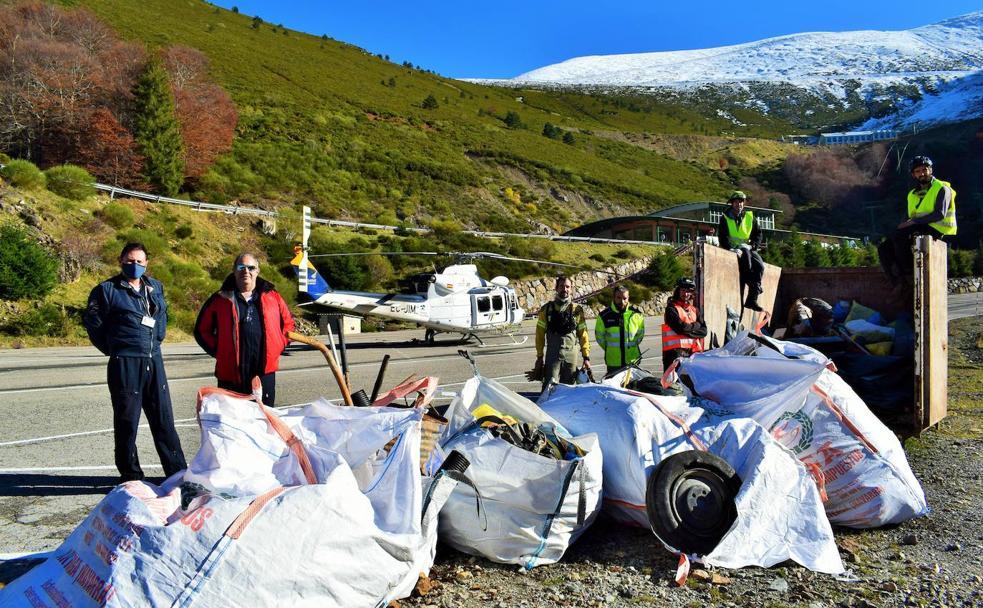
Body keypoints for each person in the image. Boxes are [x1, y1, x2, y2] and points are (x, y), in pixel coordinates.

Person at [83, 242, 187, 482]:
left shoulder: (155, 287)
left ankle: (177, 473)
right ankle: (131, 475)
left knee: (164, 419)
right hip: (125, 362)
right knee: (127, 421)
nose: (135, 265)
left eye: (140, 261)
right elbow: (93, 323)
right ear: (121, 260)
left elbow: (162, 316)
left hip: (154, 359)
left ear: (146, 263)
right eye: (130, 261)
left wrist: (157, 339)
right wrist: (115, 348)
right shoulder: (107, 289)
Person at [194, 253, 295, 406]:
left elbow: (288, 324)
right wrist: (221, 351)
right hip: (230, 375)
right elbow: (202, 330)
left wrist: (278, 345)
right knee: (233, 423)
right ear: (234, 270)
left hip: (264, 373)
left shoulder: (273, 296)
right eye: (241, 267)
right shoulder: (220, 299)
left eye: (251, 267)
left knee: (264, 421)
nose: (246, 271)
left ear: (257, 271)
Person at [878, 155, 957, 287]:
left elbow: (940, 214)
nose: (922, 173)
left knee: (901, 236)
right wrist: (900, 227)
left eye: (925, 170)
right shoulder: (912, 194)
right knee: (884, 247)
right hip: (919, 226)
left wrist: (913, 222)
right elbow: (908, 216)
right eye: (918, 171)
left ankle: (909, 272)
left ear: (930, 170)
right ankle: (894, 279)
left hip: (936, 229)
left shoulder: (942, 188)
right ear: (913, 175)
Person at [533, 276, 590, 392]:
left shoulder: (577, 310)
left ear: (571, 288)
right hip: (553, 355)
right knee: (549, 388)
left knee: (569, 391)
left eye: (567, 287)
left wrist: (586, 357)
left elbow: (583, 335)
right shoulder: (546, 310)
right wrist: (539, 357)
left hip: (571, 356)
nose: (565, 289)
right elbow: (539, 335)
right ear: (556, 288)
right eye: (562, 286)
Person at [718, 190, 764, 311]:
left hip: (747, 248)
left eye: (741, 202)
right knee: (747, 266)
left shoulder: (749, 217)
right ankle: (755, 290)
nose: (739, 204)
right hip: (733, 249)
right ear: (732, 203)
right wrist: (730, 249)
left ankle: (751, 299)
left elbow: (758, 233)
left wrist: (753, 246)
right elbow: (722, 237)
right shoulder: (725, 218)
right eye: (737, 202)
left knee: (760, 266)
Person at [595, 284, 645, 373]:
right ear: (613, 298)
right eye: (618, 298)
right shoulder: (604, 316)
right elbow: (600, 338)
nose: (622, 301)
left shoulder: (636, 315)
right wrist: (611, 350)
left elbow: (640, 335)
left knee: (632, 387)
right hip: (613, 363)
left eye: (625, 298)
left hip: (632, 362)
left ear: (628, 298)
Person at [661, 278, 706, 370]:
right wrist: (696, 325)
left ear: (692, 293)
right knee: (672, 383)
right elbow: (680, 329)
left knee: (689, 383)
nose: (685, 294)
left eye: (688, 291)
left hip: (692, 354)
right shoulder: (671, 309)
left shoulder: (694, 310)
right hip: (673, 355)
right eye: (683, 290)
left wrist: (687, 329)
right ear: (678, 291)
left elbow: (704, 331)